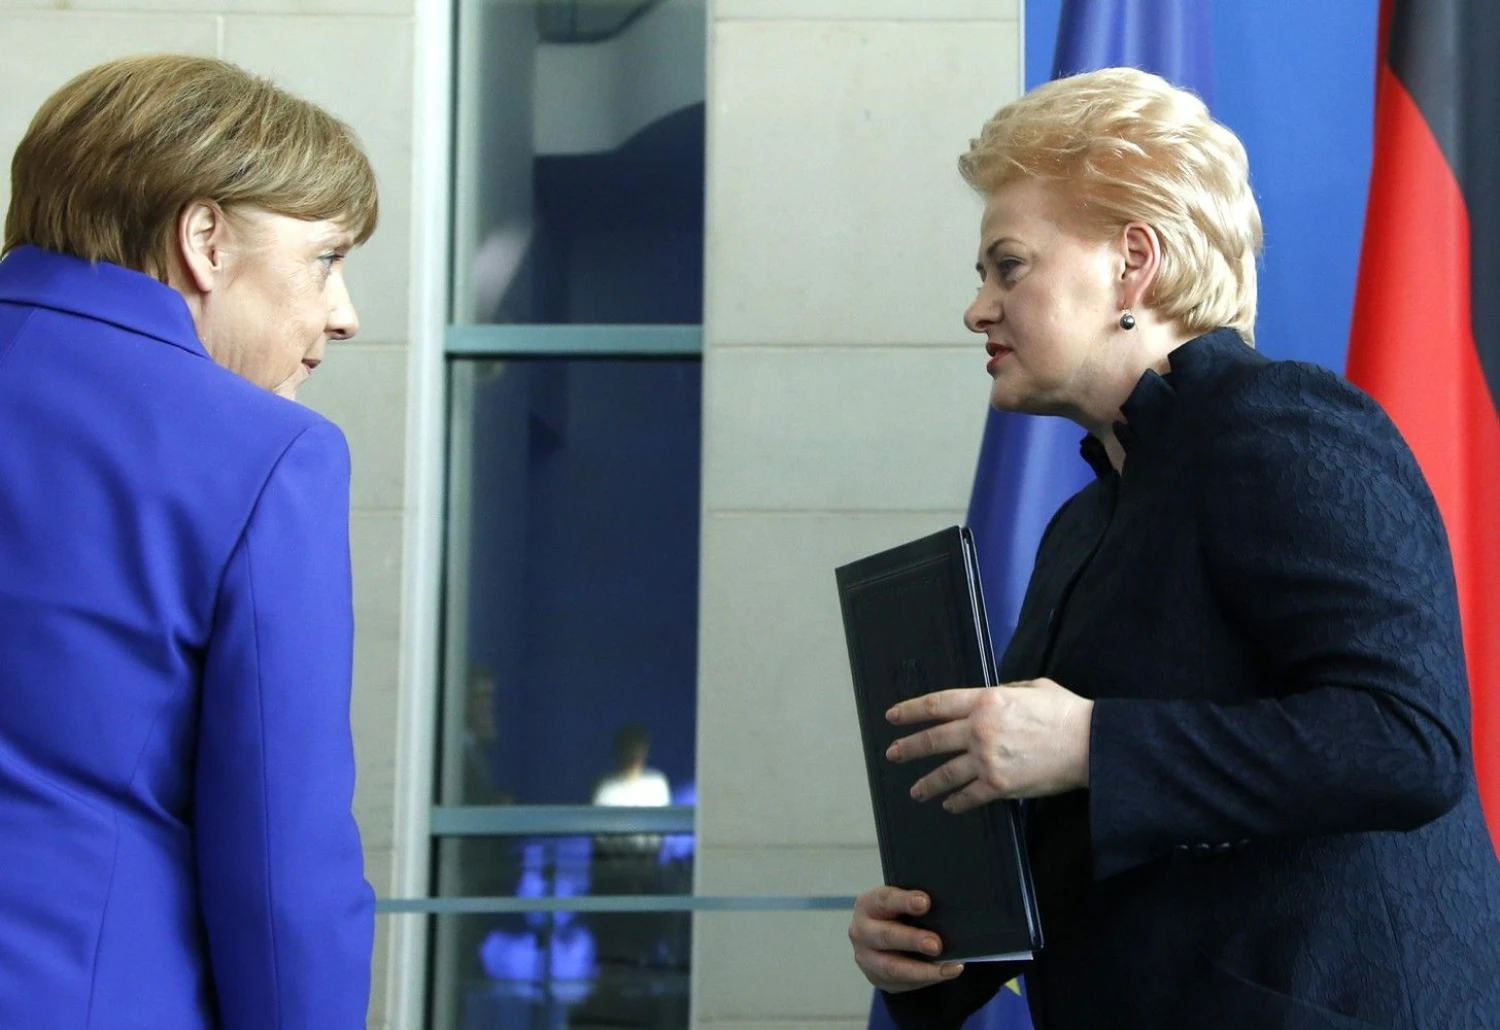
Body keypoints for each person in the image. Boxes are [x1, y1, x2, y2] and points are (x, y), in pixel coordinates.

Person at [847, 67, 1500, 1028]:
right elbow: (1091, 826)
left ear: (1133, 262)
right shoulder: (1083, 524)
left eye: (1008, 266)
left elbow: (1410, 743)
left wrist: (1088, 741)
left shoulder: (1282, 425)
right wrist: (933, 954)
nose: (978, 309)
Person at [0, 55, 378, 1027]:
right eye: (326, 258)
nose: (343, 315)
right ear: (205, 239)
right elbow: (283, 874)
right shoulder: (267, 456)